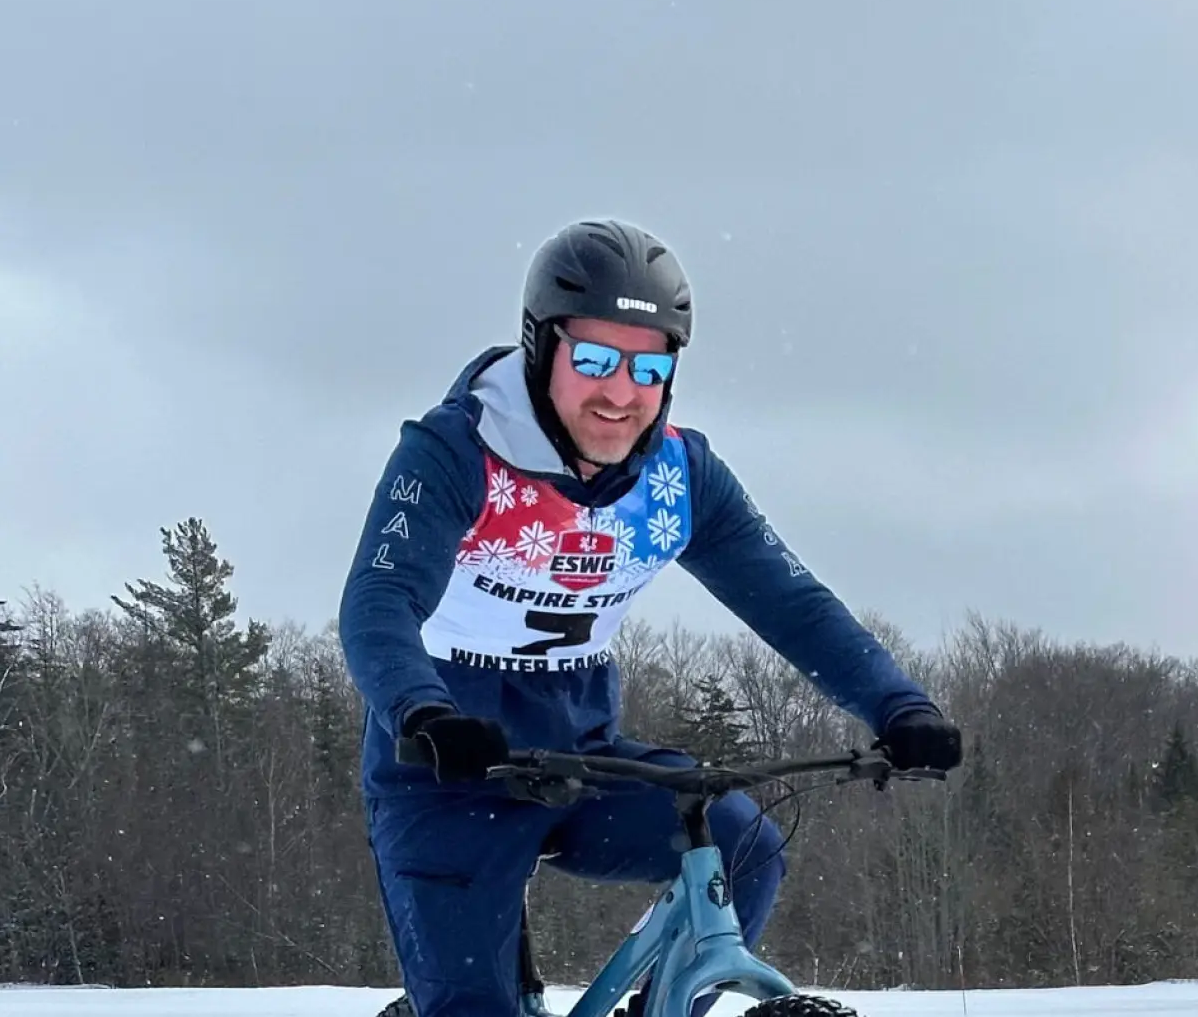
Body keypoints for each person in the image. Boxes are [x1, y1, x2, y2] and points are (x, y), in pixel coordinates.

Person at [337, 219, 964, 1017]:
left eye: (649, 364)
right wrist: (422, 711)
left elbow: (794, 604)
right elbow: (378, 602)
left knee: (740, 846)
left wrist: (898, 704)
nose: (621, 392)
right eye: (594, 359)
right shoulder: (458, 450)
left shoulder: (678, 476)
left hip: (586, 760)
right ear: (541, 349)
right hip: (448, 773)